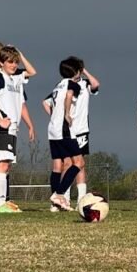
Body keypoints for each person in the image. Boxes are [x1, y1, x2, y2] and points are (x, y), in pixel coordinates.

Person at [0, 45, 35, 214]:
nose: (13, 65)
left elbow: (32, 72)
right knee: (1, 165)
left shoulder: (16, 79)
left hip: (12, 130)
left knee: (6, 166)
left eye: (15, 62)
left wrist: (20, 53)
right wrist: (0, 120)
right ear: (2, 63)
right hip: (2, 130)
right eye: (10, 62)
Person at [43, 57, 86, 212]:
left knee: (57, 165)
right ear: (77, 71)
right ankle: (59, 194)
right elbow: (69, 96)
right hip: (64, 130)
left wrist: (55, 116)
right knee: (79, 163)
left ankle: (55, 203)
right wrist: (67, 114)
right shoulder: (73, 85)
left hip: (52, 129)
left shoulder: (57, 86)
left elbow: (45, 102)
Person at [69, 60, 100, 206]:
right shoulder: (65, 85)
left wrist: (85, 71)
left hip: (82, 130)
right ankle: (64, 197)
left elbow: (96, 84)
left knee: (80, 164)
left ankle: (81, 199)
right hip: (67, 130)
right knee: (67, 164)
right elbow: (47, 102)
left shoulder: (85, 83)